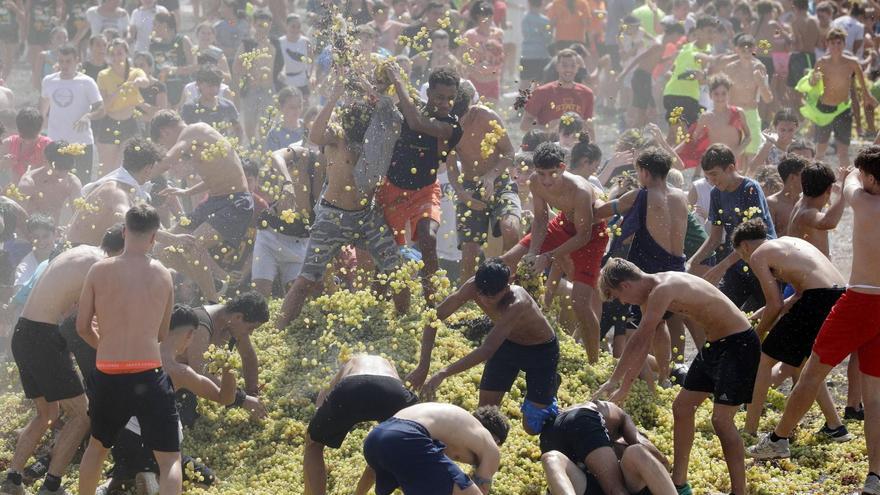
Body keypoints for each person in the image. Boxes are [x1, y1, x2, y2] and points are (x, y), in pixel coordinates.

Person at [747, 144, 880, 495]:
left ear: (870, 177)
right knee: (875, 395)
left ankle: (779, 437)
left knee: (812, 370)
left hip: (861, 297)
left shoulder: (863, 200)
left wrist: (848, 176)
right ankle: (876, 476)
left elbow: (850, 185)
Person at [594, 258, 761, 495]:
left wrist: (614, 380)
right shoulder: (650, 296)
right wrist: (625, 385)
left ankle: (739, 491)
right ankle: (680, 483)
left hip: (738, 344)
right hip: (715, 346)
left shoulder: (663, 288)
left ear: (625, 286)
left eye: (617, 296)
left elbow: (638, 339)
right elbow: (645, 345)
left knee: (721, 421)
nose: (622, 302)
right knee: (682, 408)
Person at [275, 73, 408, 330]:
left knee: (396, 270)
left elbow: (393, 116)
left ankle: (405, 322)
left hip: (367, 214)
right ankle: (278, 331)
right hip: (332, 216)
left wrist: (371, 88)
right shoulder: (337, 135)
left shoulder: (376, 135)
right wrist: (334, 96)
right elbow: (315, 135)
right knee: (306, 280)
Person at [0, 227, 123, 495]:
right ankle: (52, 486)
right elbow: (82, 326)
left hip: (23, 333)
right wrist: (111, 351)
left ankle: (13, 479)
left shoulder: (77, 252)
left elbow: (71, 308)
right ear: (120, 251)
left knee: (48, 413)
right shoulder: (101, 266)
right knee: (83, 414)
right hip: (43, 338)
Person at [75, 204, 180, 495]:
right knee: (169, 458)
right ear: (154, 237)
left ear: (124, 232)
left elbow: (82, 326)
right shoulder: (163, 275)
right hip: (148, 372)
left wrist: (106, 345)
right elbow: (161, 333)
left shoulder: (98, 270)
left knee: (97, 447)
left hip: (108, 373)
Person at [731, 218, 850, 440]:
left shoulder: (758, 255)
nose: (746, 261)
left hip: (818, 298)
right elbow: (796, 294)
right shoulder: (787, 243)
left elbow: (776, 304)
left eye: (741, 256)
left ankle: (749, 430)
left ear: (745, 246)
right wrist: (761, 314)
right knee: (803, 363)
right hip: (838, 294)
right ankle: (836, 427)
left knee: (763, 360)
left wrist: (757, 335)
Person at [411, 258, 559, 435]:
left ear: (506, 288)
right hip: (508, 344)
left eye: (492, 296)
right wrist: (423, 365)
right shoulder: (472, 287)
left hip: (540, 352)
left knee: (532, 427)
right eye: (481, 294)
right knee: (485, 415)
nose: (485, 301)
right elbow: (434, 318)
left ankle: (551, 390)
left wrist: (443, 373)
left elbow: (486, 350)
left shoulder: (517, 303)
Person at [97, 304, 235, 494]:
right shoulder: (179, 371)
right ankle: (154, 479)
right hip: (156, 446)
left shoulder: (133, 353)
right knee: (206, 480)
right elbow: (225, 398)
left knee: (124, 475)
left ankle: (118, 482)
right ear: (189, 335)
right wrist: (229, 368)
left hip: (121, 441)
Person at [501, 142, 607, 363]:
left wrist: (548, 256)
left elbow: (583, 236)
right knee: (507, 260)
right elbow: (540, 220)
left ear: (563, 167)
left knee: (580, 303)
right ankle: (500, 328)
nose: (547, 180)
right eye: (541, 174)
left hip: (591, 236)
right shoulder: (535, 183)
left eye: (552, 174)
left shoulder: (580, 190)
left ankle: (593, 361)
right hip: (561, 225)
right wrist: (533, 252)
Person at [593, 145, 689, 384]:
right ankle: (664, 378)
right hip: (676, 269)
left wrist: (591, 193)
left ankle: (641, 384)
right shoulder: (681, 196)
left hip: (650, 269)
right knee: (660, 323)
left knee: (641, 327)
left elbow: (601, 211)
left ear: (644, 172)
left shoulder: (640, 195)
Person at [376, 66, 462, 299]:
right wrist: (383, 86)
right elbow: (383, 112)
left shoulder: (451, 126)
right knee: (387, 250)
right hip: (392, 188)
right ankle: (378, 301)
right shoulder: (411, 108)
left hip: (425, 189)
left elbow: (415, 123)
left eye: (450, 99)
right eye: (439, 97)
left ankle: (431, 302)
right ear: (429, 94)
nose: (445, 103)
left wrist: (398, 80)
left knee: (428, 236)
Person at [151, 110, 253, 275]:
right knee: (160, 249)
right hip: (213, 201)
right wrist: (187, 191)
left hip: (235, 202)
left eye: (163, 145)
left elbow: (168, 160)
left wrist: (138, 178)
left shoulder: (194, 130)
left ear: (165, 132)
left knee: (191, 246)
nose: (166, 148)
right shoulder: (194, 140)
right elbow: (217, 174)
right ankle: (203, 286)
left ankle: (216, 287)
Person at [304, 354, 419, 495]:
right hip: (392, 390)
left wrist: (319, 419)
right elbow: (396, 390)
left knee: (313, 443)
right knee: (386, 449)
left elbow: (324, 394)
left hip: (351, 387)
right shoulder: (388, 364)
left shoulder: (350, 361)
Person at [687, 144, 776, 312]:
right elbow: (714, 239)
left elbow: (755, 239)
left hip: (763, 263)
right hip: (736, 264)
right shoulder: (716, 194)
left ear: (730, 168)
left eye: (714, 174)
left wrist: (721, 266)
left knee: (761, 316)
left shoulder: (750, 189)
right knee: (720, 312)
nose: (712, 181)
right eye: (707, 177)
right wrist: (692, 262)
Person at [448, 83, 521, 283]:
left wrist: (491, 176)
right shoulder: (446, 124)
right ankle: (467, 301)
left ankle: (507, 285)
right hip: (469, 186)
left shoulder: (487, 117)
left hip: (500, 181)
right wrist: (462, 193)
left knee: (510, 229)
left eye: (462, 116)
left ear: (470, 107)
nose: (459, 122)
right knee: (469, 251)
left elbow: (509, 153)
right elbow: (452, 166)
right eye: (455, 117)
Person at [362, 402, 507, 495]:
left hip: (375, 437)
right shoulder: (490, 445)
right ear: (496, 439)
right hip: (405, 438)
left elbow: (371, 470)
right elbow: (480, 490)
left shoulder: (454, 423)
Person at [540, 400, 677, 495]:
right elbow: (645, 446)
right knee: (551, 458)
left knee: (636, 452)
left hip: (552, 430)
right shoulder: (619, 417)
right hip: (582, 421)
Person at [799, 28, 876, 168]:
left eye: (839, 43)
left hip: (843, 109)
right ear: (827, 44)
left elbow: (863, 86)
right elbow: (812, 84)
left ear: (844, 44)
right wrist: (813, 80)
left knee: (843, 153)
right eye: (833, 43)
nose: (836, 46)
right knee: (820, 150)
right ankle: (814, 180)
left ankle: (844, 184)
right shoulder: (821, 62)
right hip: (824, 109)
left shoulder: (852, 62)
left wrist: (868, 97)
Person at [252, 145, 323, 296]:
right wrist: (287, 182)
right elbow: (275, 155)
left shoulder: (340, 172)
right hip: (269, 236)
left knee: (296, 299)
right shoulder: (304, 155)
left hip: (300, 241)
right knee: (260, 294)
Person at [39, 44, 104, 184]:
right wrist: (39, 132)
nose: (64, 65)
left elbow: (101, 108)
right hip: (55, 141)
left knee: (81, 183)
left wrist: (88, 116)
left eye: (68, 61)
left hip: (81, 142)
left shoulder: (87, 82)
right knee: (54, 183)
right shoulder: (49, 81)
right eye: (61, 61)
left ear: (77, 61)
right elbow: (42, 110)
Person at [95, 39, 150, 175]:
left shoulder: (135, 72)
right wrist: (118, 91)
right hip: (110, 123)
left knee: (123, 167)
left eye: (119, 53)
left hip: (130, 123)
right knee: (106, 170)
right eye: (112, 54)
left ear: (126, 54)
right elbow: (104, 106)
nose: (116, 57)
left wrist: (138, 82)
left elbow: (145, 81)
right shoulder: (103, 75)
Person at [721, 34, 772, 169]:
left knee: (751, 153)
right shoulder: (730, 68)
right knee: (734, 153)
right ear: (737, 49)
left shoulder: (759, 67)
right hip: (734, 113)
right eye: (743, 50)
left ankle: (749, 186)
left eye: (749, 49)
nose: (746, 53)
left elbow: (768, 98)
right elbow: (722, 93)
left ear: (754, 49)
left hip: (751, 113)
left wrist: (760, 82)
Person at [521, 49, 595, 140]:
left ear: (577, 68)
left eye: (572, 66)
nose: (568, 69)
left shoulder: (586, 93)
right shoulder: (542, 92)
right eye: (564, 65)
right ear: (557, 67)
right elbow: (524, 125)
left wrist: (593, 149)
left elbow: (589, 127)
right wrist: (547, 129)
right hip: (548, 147)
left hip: (575, 149)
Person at [662, 15, 715, 141]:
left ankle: (660, 158)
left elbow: (703, 77)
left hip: (689, 97)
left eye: (713, 32)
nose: (711, 35)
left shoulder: (706, 49)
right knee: (683, 138)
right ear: (698, 32)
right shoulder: (691, 50)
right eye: (708, 31)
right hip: (678, 96)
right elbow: (700, 75)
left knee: (673, 137)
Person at [788, 161, 847, 257]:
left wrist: (839, 182)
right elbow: (829, 222)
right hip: (807, 270)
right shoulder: (807, 213)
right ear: (829, 189)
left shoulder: (802, 201)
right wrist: (844, 188)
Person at [234, 9, 276, 143]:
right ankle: (253, 150)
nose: (262, 29)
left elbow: (279, 68)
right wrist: (250, 72)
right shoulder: (247, 44)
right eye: (259, 25)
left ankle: (264, 153)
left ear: (270, 25)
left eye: (265, 25)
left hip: (268, 89)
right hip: (251, 89)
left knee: (266, 126)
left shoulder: (275, 44)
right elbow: (236, 67)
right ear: (253, 24)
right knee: (249, 125)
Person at [18, 140, 83, 225]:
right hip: (29, 233)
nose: (62, 173)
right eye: (58, 168)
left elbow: (79, 215)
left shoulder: (72, 182)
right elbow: (17, 217)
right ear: (45, 161)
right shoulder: (29, 182)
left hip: (53, 233)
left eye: (66, 169)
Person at [180, 67, 243, 141]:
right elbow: (183, 133)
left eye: (218, 86)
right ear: (199, 84)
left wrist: (236, 147)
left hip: (221, 148)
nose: (214, 90)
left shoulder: (227, 106)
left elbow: (238, 129)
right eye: (210, 86)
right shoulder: (190, 108)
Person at [149, 12, 195, 108]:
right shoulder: (153, 45)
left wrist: (173, 70)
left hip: (181, 88)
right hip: (162, 91)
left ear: (164, 25)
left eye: (155, 24)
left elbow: (195, 66)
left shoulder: (183, 40)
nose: (153, 28)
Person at [766, 154, 807, 236]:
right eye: (804, 175)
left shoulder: (806, 202)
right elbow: (769, 238)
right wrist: (794, 225)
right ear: (792, 177)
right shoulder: (772, 203)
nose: (808, 179)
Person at [277, 14, 312, 100]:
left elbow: (311, 61)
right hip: (284, 81)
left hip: (302, 80)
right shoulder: (279, 42)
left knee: (304, 108)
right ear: (286, 26)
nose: (296, 29)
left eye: (298, 27)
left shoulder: (306, 42)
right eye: (293, 26)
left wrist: (311, 76)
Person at [518, 0, 552, 88]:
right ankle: (537, 101)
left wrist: (537, 31)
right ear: (542, 4)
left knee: (525, 82)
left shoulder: (525, 17)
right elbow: (549, 37)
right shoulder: (546, 20)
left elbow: (526, 33)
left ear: (529, 3)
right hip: (542, 55)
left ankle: (522, 102)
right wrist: (542, 31)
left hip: (527, 55)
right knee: (539, 84)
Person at [262, 87, 305, 152]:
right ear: (281, 107)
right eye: (292, 107)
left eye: (300, 106)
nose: (297, 110)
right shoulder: (274, 134)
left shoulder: (307, 127)